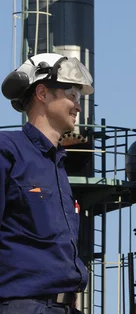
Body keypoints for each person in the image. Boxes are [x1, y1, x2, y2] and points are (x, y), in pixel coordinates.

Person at [0, 53, 94, 314]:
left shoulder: (56, 165)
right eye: (72, 94)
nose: (78, 106)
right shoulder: (7, 151)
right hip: (23, 305)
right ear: (42, 93)